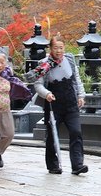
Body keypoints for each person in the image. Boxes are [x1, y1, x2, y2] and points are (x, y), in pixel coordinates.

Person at [34, 34, 88, 175]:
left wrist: (81, 95)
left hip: (70, 102)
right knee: (52, 135)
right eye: (55, 48)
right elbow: (38, 84)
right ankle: (53, 165)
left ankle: (77, 165)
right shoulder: (43, 63)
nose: (58, 51)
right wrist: (47, 94)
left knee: (76, 132)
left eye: (61, 48)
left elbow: (76, 79)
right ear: (50, 48)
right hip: (53, 105)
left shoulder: (70, 59)